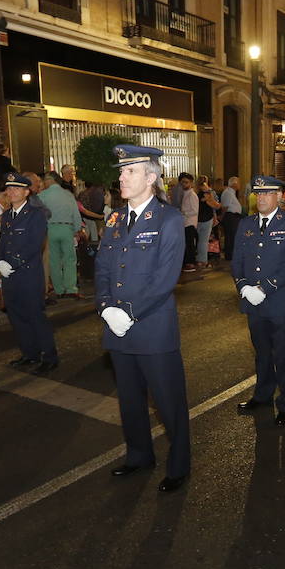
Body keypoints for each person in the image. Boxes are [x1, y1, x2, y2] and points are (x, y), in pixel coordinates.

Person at [95, 144, 191, 493]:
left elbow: (166, 278)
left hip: (151, 328)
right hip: (117, 328)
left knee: (168, 402)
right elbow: (104, 266)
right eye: (121, 171)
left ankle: (179, 464)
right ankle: (139, 455)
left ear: (151, 177)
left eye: (129, 171)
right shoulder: (115, 218)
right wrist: (106, 306)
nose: (121, 177)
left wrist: (129, 313)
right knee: (130, 400)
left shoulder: (168, 219)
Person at [232, 175, 285, 426]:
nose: (261, 198)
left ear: (278, 197)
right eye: (257, 194)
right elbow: (237, 262)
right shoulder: (246, 224)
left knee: (283, 355)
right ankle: (262, 395)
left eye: (266, 193)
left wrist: (264, 288)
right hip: (252, 302)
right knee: (261, 352)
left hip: (279, 302)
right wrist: (243, 287)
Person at [0, 170, 59, 375]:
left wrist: (12, 263)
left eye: (17, 188)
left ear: (27, 193)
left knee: (34, 316)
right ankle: (29, 353)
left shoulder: (35, 215)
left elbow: (34, 244)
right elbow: (2, 244)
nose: (12, 191)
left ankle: (49, 356)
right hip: (9, 276)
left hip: (28, 274)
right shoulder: (6, 215)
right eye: (9, 188)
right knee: (16, 316)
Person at [37, 169, 80, 299]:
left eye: (45, 181)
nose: (44, 183)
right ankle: (71, 288)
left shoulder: (42, 196)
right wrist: (76, 230)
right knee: (69, 260)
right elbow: (76, 214)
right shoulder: (68, 195)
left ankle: (59, 289)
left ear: (50, 181)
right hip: (67, 229)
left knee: (53, 261)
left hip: (50, 229)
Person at [220, 175, 244, 263]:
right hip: (230, 217)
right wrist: (222, 218)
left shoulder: (231, 192)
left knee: (233, 236)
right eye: (239, 183)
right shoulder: (228, 193)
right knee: (231, 236)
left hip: (234, 217)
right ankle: (230, 255)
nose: (240, 185)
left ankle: (232, 254)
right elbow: (225, 207)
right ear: (234, 184)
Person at [196, 179, 217, 266]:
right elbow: (215, 205)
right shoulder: (207, 195)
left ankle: (198, 258)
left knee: (198, 240)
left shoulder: (196, 195)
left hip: (197, 219)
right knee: (204, 240)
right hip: (206, 219)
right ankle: (203, 260)